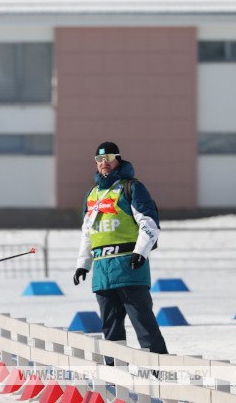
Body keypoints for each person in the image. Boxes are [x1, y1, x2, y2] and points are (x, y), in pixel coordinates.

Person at [72, 141, 168, 363]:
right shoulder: (93, 194)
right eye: (99, 159)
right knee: (111, 331)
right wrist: (82, 264)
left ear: (118, 159)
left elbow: (149, 223)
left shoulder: (132, 187)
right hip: (103, 273)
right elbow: (88, 232)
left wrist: (140, 252)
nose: (104, 163)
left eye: (108, 158)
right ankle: (116, 376)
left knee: (144, 325)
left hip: (128, 267)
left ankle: (162, 374)